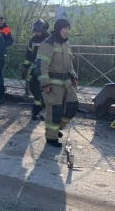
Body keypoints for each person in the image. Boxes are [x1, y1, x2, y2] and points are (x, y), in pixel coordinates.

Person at [34, 19, 79, 147]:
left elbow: (70, 64)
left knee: (73, 106)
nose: (67, 31)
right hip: (52, 84)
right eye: (65, 29)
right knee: (55, 111)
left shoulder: (66, 43)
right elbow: (41, 66)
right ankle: (51, 137)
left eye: (68, 29)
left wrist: (74, 76)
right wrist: (45, 84)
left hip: (66, 82)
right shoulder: (48, 43)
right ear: (59, 29)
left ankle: (56, 128)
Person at [22, 19, 50, 120]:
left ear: (44, 30)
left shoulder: (50, 39)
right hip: (34, 67)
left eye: (39, 31)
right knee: (31, 85)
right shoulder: (32, 40)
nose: (37, 33)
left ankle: (36, 111)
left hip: (45, 68)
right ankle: (42, 103)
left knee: (39, 89)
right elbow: (29, 56)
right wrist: (25, 67)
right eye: (36, 31)